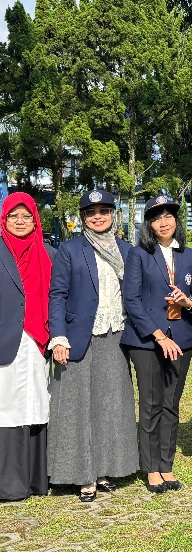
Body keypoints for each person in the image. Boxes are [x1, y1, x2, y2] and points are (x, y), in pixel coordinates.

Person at [48, 189, 139, 502]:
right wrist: (58, 337)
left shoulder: (127, 249)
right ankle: (82, 476)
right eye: (91, 212)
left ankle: (104, 470)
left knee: (111, 406)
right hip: (78, 338)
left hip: (117, 336)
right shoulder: (70, 249)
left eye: (103, 211)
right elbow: (57, 295)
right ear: (83, 217)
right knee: (78, 408)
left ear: (114, 214)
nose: (97, 216)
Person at [122, 195, 192, 493]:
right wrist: (159, 335)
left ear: (176, 221)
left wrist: (188, 301)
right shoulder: (139, 254)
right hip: (147, 341)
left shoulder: (190, 255)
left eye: (169, 216)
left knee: (171, 404)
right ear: (149, 224)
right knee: (152, 404)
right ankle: (151, 467)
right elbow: (131, 300)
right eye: (157, 218)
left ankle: (166, 464)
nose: (164, 222)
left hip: (181, 339)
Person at [0, 193, 53, 501]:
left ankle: (36, 480)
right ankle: (9, 483)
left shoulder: (48, 253)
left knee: (36, 403)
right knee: (6, 408)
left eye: (26, 216)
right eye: (13, 216)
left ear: (36, 219)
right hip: (6, 339)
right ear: (4, 219)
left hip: (37, 340)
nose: (20, 222)